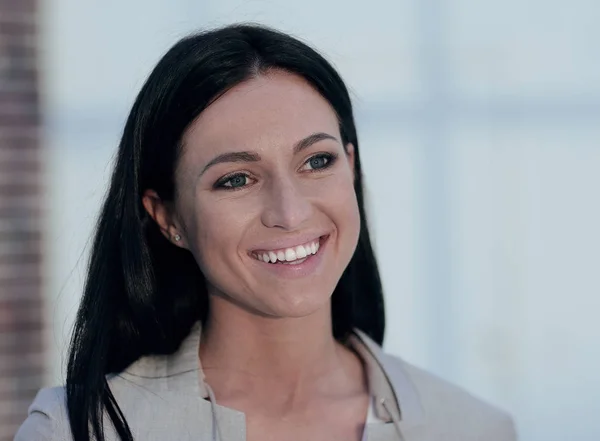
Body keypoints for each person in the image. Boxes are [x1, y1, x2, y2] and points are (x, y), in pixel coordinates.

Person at [15, 24, 517, 441]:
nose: (290, 211)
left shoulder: (472, 428)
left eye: (317, 161)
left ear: (352, 167)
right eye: (236, 179)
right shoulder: (74, 431)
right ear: (167, 217)